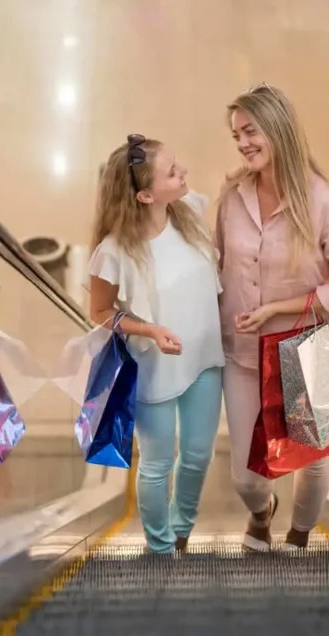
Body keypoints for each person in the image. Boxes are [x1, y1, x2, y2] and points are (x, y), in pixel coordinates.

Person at [216, 84, 329, 552]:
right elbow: (215, 264)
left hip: (310, 348)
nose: (242, 142)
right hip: (242, 353)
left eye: (251, 130)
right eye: (236, 134)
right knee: (245, 474)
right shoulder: (230, 196)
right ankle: (261, 513)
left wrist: (278, 309)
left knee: (314, 460)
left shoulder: (328, 201)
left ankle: (299, 538)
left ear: (279, 129)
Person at [87, 135, 224, 554]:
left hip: (204, 358)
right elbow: (100, 312)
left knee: (199, 454)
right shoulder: (114, 252)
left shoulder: (191, 214)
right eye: (172, 172)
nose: (183, 173)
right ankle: (160, 548)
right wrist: (149, 330)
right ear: (145, 195)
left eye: (177, 165)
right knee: (157, 463)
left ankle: (181, 532)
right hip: (153, 366)